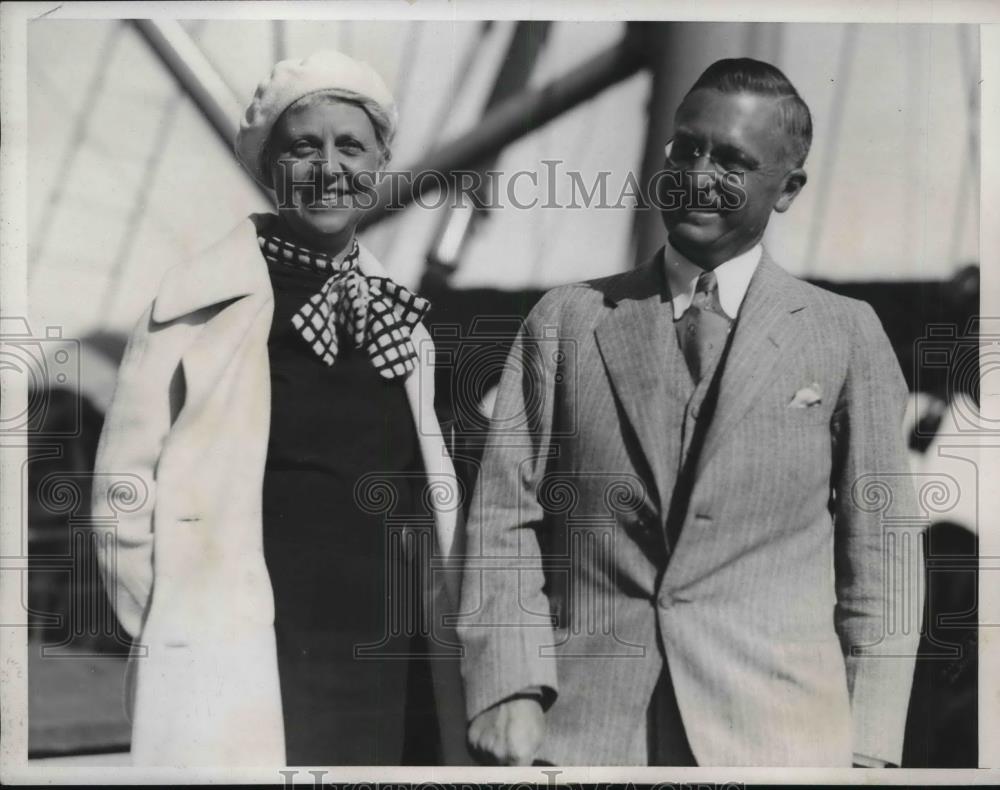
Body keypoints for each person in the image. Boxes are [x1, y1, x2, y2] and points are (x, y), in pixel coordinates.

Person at [457, 58, 922, 767]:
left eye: (733, 160)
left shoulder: (844, 334)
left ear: (788, 188)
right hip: (587, 732)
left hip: (784, 740)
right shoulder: (567, 320)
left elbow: (882, 559)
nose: (698, 175)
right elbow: (501, 517)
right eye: (687, 148)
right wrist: (509, 687)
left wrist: (868, 749)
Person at [92, 49, 467, 767]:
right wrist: (182, 637)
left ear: (381, 164)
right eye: (304, 147)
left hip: (391, 654)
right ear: (271, 169)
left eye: (351, 146)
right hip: (252, 660)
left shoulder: (402, 323)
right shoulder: (195, 310)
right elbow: (122, 496)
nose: (329, 168)